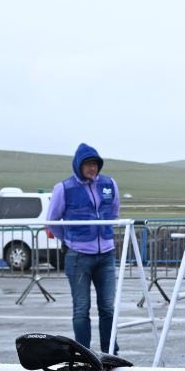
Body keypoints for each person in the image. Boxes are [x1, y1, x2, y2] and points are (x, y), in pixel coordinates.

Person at [46, 144, 121, 351]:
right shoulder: (64, 188)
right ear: (78, 165)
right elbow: (52, 221)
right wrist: (70, 239)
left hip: (106, 255)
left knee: (108, 307)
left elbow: (114, 213)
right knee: (81, 308)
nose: (92, 168)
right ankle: (83, 354)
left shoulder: (109, 184)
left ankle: (110, 353)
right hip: (78, 257)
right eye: (88, 164)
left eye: (95, 164)